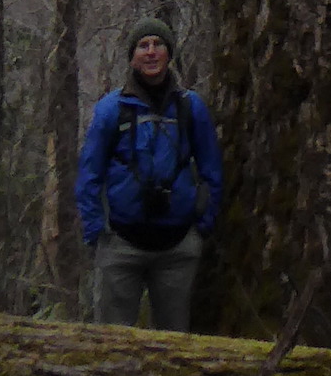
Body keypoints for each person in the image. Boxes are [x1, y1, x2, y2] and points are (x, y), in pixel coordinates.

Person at [76, 18, 222, 333]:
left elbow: (211, 171)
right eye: (143, 46)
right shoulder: (111, 109)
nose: (151, 52)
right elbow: (89, 175)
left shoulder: (190, 107)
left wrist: (202, 227)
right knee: (113, 341)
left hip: (177, 247)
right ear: (132, 56)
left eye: (159, 45)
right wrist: (96, 233)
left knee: (173, 344)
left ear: (170, 54)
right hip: (121, 244)